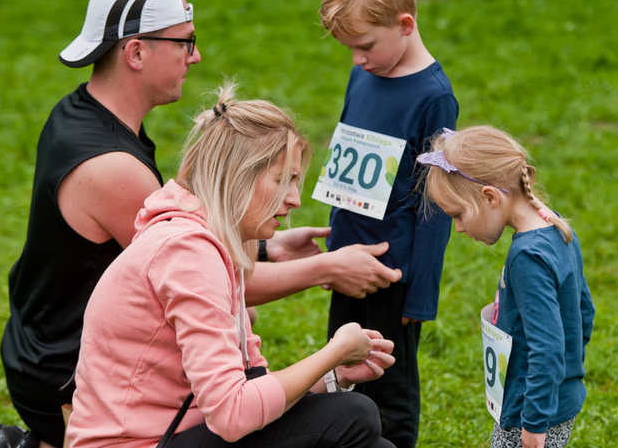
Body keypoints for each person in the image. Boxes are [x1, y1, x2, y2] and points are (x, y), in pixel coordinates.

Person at [0, 0, 402, 448]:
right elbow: (201, 287)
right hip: (65, 377)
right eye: (185, 41)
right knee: (354, 416)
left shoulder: (82, 118)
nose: (196, 55)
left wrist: (265, 248)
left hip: (76, 367)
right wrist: (327, 277)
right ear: (136, 52)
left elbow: (226, 304)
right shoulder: (121, 175)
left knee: (358, 423)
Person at [67, 84, 396, 448]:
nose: (294, 199)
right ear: (238, 177)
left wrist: (333, 375)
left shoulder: (215, 242)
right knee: (353, 415)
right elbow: (232, 415)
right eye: (281, 180)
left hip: (179, 434)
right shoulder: (187, 252)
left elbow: (253, 384)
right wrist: (331, 352)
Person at [318, 0, 459, 448]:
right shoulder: (366, 75)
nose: (357, 60)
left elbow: (436, 202)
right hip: (348, 262)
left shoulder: (433, 97)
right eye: (350, 50)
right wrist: (332, 245)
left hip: (392, 274)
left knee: (389, 392)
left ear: (404, 25)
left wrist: (419, 291)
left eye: (365, 46)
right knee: (341, 374)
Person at [417, 125, 595, 448]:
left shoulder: (527, 256)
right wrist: (568, 377)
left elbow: (548, 347)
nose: (457, 229)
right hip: (552, 401)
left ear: (489, 197)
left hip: (531, 413)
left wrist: (534, 425)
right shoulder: (556, 226)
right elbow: (585, 311)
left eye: (458, 215)